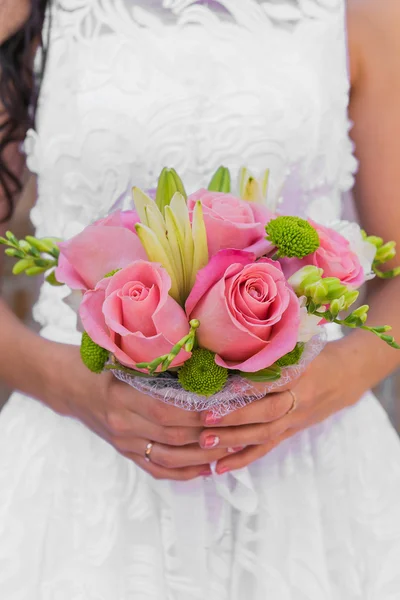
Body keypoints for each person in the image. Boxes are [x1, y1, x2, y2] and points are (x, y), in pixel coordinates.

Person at [1, 0, 400, 597]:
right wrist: (77, 391)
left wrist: (322, 382)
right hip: (80, 462)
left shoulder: (361, 13)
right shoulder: (28, 10)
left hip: (307, 472)